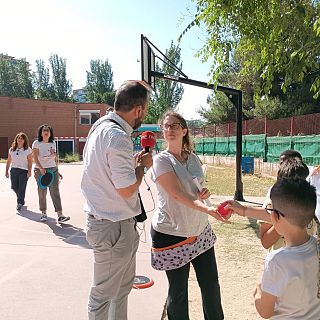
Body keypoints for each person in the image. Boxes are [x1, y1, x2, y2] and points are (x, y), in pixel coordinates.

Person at [81, 80, 153, 320]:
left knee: (120, 291)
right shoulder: (118, 136)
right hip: (113, 228)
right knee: (102, 297)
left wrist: (131, 164)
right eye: (146, 108)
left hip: (111, 224)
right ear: (139, 109)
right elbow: (127, 190)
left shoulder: (100, 127)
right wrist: (142, 167)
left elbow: (105, 173)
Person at [150, 111, 227, 320]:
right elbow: (176, 194)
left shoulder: (193, 158)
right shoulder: (161, 161)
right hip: (172, 234)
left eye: (174, 126)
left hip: (199, 231)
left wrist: (204, 193)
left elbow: (194, 188)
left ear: (184, 130)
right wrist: (208, 209)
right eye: (166, 126)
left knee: (211, 285)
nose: (169, 130)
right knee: (179, 292)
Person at [253, 178, 320, 319]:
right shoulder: (317, 247)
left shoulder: (277, 261)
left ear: (275, 216)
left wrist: (257, 294)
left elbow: (265, 312)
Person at [259, 158, 317, 251]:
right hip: (281, 263)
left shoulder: (308, 201)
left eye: (303, 181)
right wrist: (282, 220)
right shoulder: (270, 204)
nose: (299, 186)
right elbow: (265, 243)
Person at [32, 124, 69, 223]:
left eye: (48, 130)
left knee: (55, 191)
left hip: (53, 169)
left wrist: (58, 170)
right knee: (42, 192)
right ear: (41, 132)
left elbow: (54, 158)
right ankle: (43, 213)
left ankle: (60, 215)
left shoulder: (53, 142)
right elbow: (34, 157)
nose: (46, 132)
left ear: (50, 133)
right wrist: (41, 168)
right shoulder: (36, 143)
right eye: (44, 130)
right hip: (40, 171)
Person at [5, 132, 32, 211]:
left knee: (21, 188)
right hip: (14, 170)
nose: (20, 139)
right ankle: (21, 198)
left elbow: (30, 161)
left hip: (24, 171)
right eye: (18, 138)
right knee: (14, 187)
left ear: (24, 140)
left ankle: (20, 202)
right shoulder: (12, 149)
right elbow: (9, 160)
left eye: (22, 138)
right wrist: (6, 171)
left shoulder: (28, 150)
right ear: (16, 139)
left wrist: (29, 171)